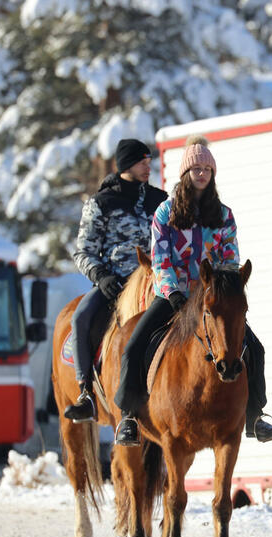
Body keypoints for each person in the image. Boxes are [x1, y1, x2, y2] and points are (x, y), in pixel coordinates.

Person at [112, 139, 272, 447]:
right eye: (196, 168)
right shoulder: (165, 213)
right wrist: (173, 292)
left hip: (211, 299)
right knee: (134, 345)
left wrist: (223, 289)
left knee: (254, 348)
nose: (202, 174)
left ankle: (255, 417)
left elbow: (230, 261)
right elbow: (160, 259)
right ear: (185, 172)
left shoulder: (225, 216)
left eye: (207, 169)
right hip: (172, 296)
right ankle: (129, 417)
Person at [65, 139, 167, 423]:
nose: (149, 166)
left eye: (149, 161)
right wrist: (101, 276)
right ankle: (86, 392)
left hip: (157, 285)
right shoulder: (100, 204)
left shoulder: (160, 201)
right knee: (81, 318)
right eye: (142, 162)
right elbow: (83, 251)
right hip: (115, 286)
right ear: (126, 165)